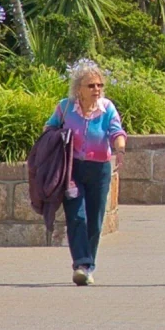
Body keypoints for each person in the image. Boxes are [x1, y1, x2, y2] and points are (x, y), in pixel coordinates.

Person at [52, 60, 127, 284]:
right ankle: (81, 264)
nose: (96, 89)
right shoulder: (65, 107)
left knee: (94, 220)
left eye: (99, 85)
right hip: (72, 170)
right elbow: (50, 128)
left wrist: (120, 149)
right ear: (79, 90)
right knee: (76, 216)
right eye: (91, 86)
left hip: (99, 170)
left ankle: (88, 265)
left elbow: (116, 130)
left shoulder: (107, 108)